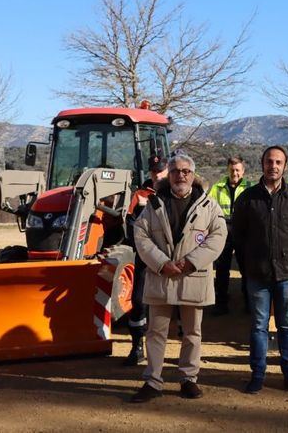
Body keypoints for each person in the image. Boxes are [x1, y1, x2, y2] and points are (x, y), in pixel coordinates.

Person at [129, 154, 227, 402]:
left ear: (193, 176)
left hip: (192, 276)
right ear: (168, 175)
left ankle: (188, 379)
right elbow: (140, 235)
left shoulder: (209, 205)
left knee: (192, 332)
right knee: (155, 332)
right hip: (161, 275)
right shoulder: (153, 204)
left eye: (185, 171)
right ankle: (153, 381)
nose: (180, 175)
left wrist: (191, 262)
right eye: (175, 171)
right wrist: (162, 263)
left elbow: (219, 235)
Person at [232, 145, 288, 394]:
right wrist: (250, 261)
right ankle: (258, 374)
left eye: (278, 162)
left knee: (286, 326)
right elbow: (238, 234)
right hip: (258, 274)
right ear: (262, 164)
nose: (273, 166)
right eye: (269, 161)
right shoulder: (247, 198)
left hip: (287, 274)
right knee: (258, 326)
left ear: (285, 166)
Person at [122, 158, 169, 366]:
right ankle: (137, 346)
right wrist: (144, 248)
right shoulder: (140, 195)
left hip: (169, 258)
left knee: (171, 302)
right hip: (145, 258)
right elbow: (131, 223)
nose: (157, 175)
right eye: (153, 171)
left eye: (160, 171)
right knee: (139, 301)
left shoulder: (174, 193)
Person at [207, 156, 252, 315]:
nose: (235, 173)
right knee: (222, 268)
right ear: (227, 170)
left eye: (238, 170)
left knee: (246, 268)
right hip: (223, 230)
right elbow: (209, 207)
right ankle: (221, 303)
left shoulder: (250, 188)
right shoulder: (217, 187)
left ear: (243, 171)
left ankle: (248, 302)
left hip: (243, 231)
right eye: (232, 170)